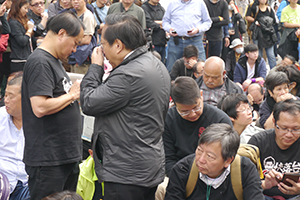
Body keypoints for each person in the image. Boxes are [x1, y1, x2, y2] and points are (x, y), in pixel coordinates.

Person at [80, 13, 170, 200]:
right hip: (145, 165)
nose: (101, 50)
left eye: (103, 44)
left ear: (118, 45)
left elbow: (89, 102)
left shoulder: (129, 75)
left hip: (126, 172)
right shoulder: (154, 62)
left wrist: (96, 67)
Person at [22, 11, 84, 199]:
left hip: (63, 155)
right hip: (49, 159)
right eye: (75, 43)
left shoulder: (53, 61)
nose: (74, 50)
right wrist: (72, 96)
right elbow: (40, 107)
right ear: (62, 33)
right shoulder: (40, 62)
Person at [165, 123, 265, 200]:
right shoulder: (183, 170)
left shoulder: (244, 170)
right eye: (199, 150)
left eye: (210, 156)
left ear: (228, 161)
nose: (200, 159)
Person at [164, 76, 233, 177]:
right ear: (174, 105)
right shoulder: (168, 120)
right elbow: (168, 160)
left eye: (196, 108)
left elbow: (225, 159)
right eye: (184, 112)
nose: (192, 114)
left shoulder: (220, 120)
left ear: (201, 95)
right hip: (180, 173)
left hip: (213, 174)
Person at [248, 99, 300, 199]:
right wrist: (264, 184)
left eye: (296, 129)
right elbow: (244, 184)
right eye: (284, 128)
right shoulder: (258, 142)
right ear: (274, 122)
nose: (289, 134)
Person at [0, 74, 31, 200]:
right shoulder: (1, 117)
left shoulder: (41, 122)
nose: (5, 100)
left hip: (28, 183)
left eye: (10, 96)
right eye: (5, 95)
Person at [162, 0, 212, 72]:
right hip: (176, 41)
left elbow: (208, 22)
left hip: (195, 40)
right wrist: (169, 29)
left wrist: (198, 29)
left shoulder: (199, 3)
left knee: (201, 68)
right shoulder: (172, 3)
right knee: (171, 68)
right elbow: (165, 22)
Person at [245, 0, 277, 69]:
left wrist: (266, 23)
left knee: (271, 55)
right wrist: (256, 21)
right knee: (258, 54)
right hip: (258, 33)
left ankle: (274, 73)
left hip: (268, 34)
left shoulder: (269, 9)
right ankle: (259, 71)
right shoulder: (254, 7)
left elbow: (274, 20)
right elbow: (247, 17)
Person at [69, 0, 97, 74]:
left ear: (85, 1)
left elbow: (87, 40)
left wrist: (71, 42)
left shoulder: (88, 16)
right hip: (74, 57)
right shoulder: (73, 15)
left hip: (84, 59)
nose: (75, 2)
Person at [8, 0, 36, 73]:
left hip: (28, 58)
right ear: (18, 8)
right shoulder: (13, 23)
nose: (27, 11)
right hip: (19, 60)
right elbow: (22, 41)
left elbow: (32, 39)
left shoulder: (24, 20)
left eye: (27, 9)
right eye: (25, 8)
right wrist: (29, 30)